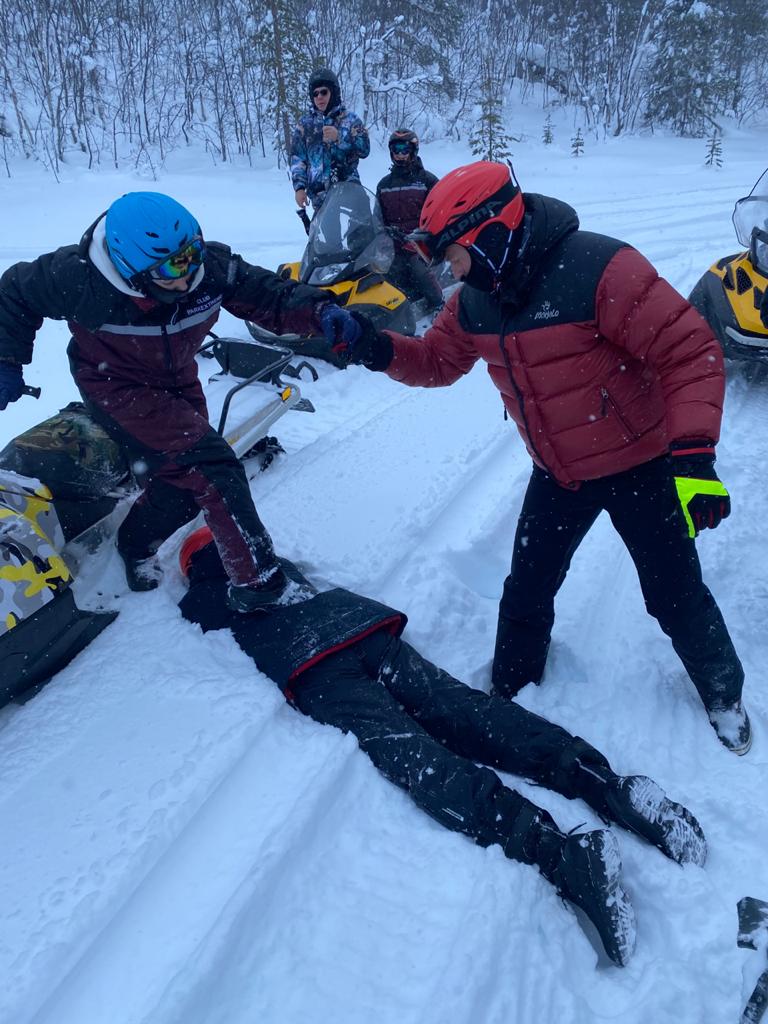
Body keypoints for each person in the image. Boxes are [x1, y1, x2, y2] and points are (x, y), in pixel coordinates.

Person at [338, 160, 751, 755]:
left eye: (452, 256)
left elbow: (690, 351)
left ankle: (723, 692)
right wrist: (373, 347)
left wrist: (693, 458)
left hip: (641, 462)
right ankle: (511, 686)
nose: (447, 272)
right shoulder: (476, 299)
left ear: (490, 231)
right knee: (528, 586)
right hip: (559, 470)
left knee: (673, 591)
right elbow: (436, 363)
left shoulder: (600, 268)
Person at [178, 524, 708, 967]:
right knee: (463, 710)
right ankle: (603, 783)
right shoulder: (271, 560)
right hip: (362, 629)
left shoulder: (203, 593)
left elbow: (203, 618)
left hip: (315, 667)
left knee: (416, 756)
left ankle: (558, 852)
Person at [0, 191, 359, 612]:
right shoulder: (77, 277)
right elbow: (14, 293)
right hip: (115, 385)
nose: (188, 274)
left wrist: (321, 313)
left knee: (185, 482)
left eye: (193, 255)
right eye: (172, 267)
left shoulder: (206, 271)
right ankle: (261, 589)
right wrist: (7, 359)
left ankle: (134, 546)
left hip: (177, 376)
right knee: (213, 469)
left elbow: (270, 296)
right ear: (130, 268)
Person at [375, 129, 443, 312]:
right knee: (378, 273)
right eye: (396, 149)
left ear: (413, 150)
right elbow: (377, 217)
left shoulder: (427, 180)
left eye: (404, 149)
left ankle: (439, 304)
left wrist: (422, 235)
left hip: (421, 245)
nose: (400, 154)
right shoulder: (384, 184)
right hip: (393, 246)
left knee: (419, 269)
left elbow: (440, 213)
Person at [290, 68, 370, 213]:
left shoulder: (350, 120)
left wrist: (340, 138)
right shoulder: (305, 124)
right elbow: (298, 158)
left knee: (360, 232)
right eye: (315, 94)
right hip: (320, 196)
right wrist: (299, 188)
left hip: (349, 189)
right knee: (326, 235)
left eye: (324, 92)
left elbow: (364, 150)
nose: (319, 97)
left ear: (333, 92)